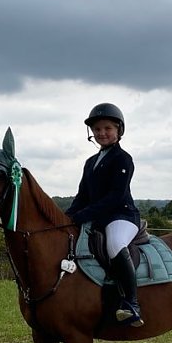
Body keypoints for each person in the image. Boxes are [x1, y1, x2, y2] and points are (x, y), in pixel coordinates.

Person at [66, 103, 144, 327]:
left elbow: (115, 197)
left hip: (121, 216)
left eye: (107, 128)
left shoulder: (123, 159)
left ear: (119, 130)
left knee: (115, 244)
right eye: (97, 129)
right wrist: (66, 217)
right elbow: (82, 196)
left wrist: (83, 216)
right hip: (98, 217)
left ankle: (132, 303)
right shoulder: (91, 162)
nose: (102, 133)